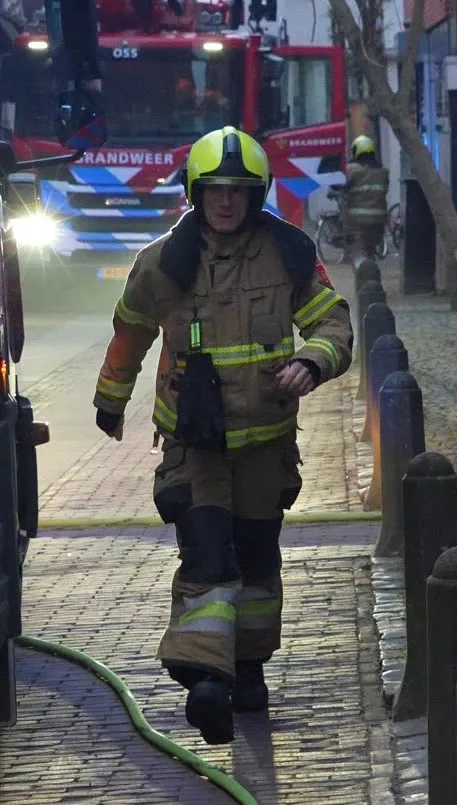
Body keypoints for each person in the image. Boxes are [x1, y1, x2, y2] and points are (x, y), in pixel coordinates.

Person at [92, 126, 353, 744]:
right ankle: (206, 681)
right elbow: (130, 333)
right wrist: (110, 400)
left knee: (257, 560)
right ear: (196, 193)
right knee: (208, 556)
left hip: (266, 443)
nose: (227, 201)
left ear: (256, 193)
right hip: (195, 445)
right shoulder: (162, 262)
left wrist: (313, 361)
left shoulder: (288, 253)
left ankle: (249, 669)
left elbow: (334, 323)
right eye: (215, 190)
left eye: (238, 190)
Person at [340, 134, 390, 260]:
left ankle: (363, 270)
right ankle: (371, 268)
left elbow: (341, 186)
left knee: (358, 251)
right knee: (370, 250)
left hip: (357, 220)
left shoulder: (352, 169)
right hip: (379, 219)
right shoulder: (383, 172)